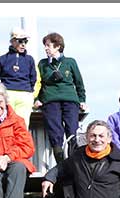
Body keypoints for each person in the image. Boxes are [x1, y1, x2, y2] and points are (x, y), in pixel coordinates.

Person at [34, 32, 87, 164]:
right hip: (50, 100)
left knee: (72, 129)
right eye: (45, 46)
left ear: (58, 46)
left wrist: (82, 100)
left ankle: (74, 161)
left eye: (48, 45)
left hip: (70, 100)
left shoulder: (70, 62)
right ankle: (61, 163)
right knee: (55, 130)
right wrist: (37, 99)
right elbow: (38, 83)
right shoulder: (42, 64)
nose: (46, 48)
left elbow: (79, 82)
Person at [0, 27, 40, 128]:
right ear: (13, 41)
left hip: (25, 95)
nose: (23, 44)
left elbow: (35, 79)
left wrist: (32, 95)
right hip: (7, 94)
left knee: (23, 125)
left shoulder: (30, 59)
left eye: (25, 41)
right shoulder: (2, 59)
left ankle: (21, 144)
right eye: (20, 41)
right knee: (6, 124)